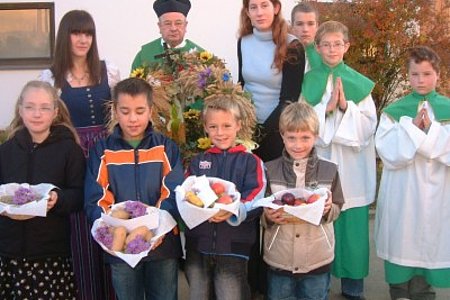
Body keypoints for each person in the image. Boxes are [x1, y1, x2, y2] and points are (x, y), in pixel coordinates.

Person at [39, 9, 120, 300]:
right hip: (71, 152)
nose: (83, 39)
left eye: (88, 33)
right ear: (65, 36)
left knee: (109, 215)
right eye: (76, 32)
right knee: (79, 224)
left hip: (106, 153)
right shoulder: (52, 76)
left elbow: (117, 116)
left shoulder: (107, 69)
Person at [84, 77, 184, 300]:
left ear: (150, 110)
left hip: (162, 244)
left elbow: (173, 191)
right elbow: (96, 197)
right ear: (115, 111)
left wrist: (157, 229)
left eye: (140, 111)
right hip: (120, 248)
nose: (132, 119)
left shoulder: (166, 148)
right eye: (125, 111)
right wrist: (110, 229)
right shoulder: (103, 151)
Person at [300, 21, 377, 300]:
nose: (332, 49)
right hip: (321, 163)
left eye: (337, 43)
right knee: (319, 224)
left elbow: (369, 127)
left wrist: (346, 108)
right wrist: (325, 109)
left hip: (352, 168)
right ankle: (319, 286)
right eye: (326, 44)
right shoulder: (308, 82)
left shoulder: (359, 83)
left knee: (353, 233)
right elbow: (301, 122)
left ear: (346, 46)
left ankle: (353, 289)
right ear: (317, 48)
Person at [375, 46, 450, 300]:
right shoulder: (394, 111)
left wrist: (429, 132)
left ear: (438, 75)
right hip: (402, 193)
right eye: (415, 74)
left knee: (427, 248)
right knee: (401, 244)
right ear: (408, 75)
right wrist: (412, 129)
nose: (421, 80)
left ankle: (423, 294)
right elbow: (386, 150)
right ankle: (399, 294)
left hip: (437, 196)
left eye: (427, 74)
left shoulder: (447, 109)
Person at [0, 80, 85, 299]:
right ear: (20, 110)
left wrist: (59, 199)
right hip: (9, 253)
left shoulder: (70, 150)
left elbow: (79, 195)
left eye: (44, 107)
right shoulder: (6, 151)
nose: (37, 114)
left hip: (51, 255)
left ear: (55, 112)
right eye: (30, 107)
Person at [184, 94, 267, 300]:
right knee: (198, 294)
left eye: (226, 126)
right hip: (198, 245)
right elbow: (185, 194)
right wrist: (195, 209)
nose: (220, 133)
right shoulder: (198, 161)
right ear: (205, 127)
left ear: (238, 125)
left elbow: (257, 197)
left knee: (230, 294)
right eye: (213, 127)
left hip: (233, 246)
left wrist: (232, 211)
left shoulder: (251, 161)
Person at [263, 101, 344, 300]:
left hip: (317, 258)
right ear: (282, 136)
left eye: (305, 137)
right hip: (279, 258)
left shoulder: (329, 169)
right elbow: (260, 212)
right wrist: (268, 216)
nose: (297, 145)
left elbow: (338, 206)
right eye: (291, 138)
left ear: (315, 136)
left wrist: (327, 209)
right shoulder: (269, 170)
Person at [238, 0, 305, 163]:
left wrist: (259, 134)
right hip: (246, 130)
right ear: (247, 12)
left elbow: (289, 100)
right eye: (253, 7)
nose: (259, 12)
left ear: (276, 8)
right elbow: (241, 85)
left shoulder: (293, 46)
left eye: (264, 5)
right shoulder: (243, 42)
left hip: (277, 132)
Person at [131, 0, 204, 70]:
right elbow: (133, 82)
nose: (173, 28)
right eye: (167, 23)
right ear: (160, 26)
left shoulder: (201, 56)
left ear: (185, 25)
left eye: (178, 23)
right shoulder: (144, 55)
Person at [290, 2, 321, 72]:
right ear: (292, 27)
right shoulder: (283, 55)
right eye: (300, 24)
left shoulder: (326, 55)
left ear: (317, 26)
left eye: (310, 24)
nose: (305, 29)